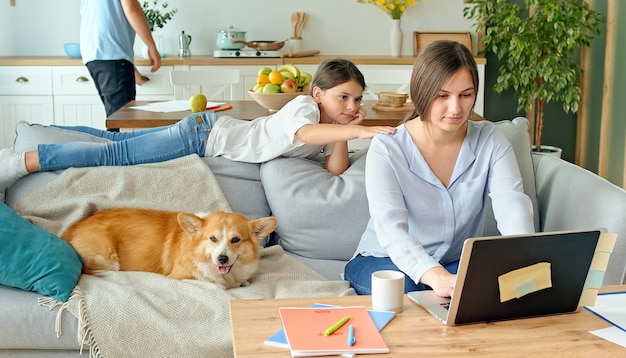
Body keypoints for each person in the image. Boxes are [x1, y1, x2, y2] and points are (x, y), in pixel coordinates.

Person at [0, 58, 396, 201]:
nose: (352, 106)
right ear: (319, 93)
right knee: (116, 155)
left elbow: (335, 171)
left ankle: (45, 131)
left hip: (205, 130)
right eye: (343, 97)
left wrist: (349, 127)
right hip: (203, 134)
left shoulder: (329, 125)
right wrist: (358, 132)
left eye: (357, 100)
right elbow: (306, 137)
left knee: (115, 141)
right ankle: (22, 159)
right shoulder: (304, 108)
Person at [343, 40, 535, 298]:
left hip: (454, 260)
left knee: (492, 291)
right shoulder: (387, 148)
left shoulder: (492, 140)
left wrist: (525, 262)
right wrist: (434, 275)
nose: (456, 109)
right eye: (443, 96)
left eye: (466, 95)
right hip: (385, 259)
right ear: (421, 91)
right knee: (408, 293)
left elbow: (512, 205)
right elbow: (391, 227)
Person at [80, 0, 161, 117]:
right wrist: (151, 46)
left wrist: (127, 64)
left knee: (116, 118)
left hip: (93, 55)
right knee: (122, 123)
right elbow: (131, 8)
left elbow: (104, 16)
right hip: (112, 56)